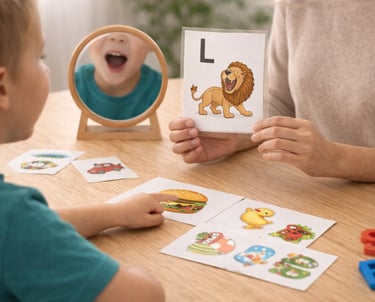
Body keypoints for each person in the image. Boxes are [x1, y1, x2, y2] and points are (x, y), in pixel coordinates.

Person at [0, 1, 177, 301]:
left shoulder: (16, 222)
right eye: (40, 57)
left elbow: (36, 227)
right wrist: (142, 271)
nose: (47, 67)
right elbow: (143, 295)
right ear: (2, 89)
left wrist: (114, 213)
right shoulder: (14, 220)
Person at [169, 0, 375, 183]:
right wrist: (238, 134)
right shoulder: (294, 4)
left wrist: (337, 159)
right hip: (312, 192)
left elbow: (330, 157)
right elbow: (281, 101)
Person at [74, 32, 162, 120]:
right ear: (88, 42)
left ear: (150, 46)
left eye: (133, 32)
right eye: (104, 29)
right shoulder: (75, 84)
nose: (117, 37)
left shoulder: (161, 89)